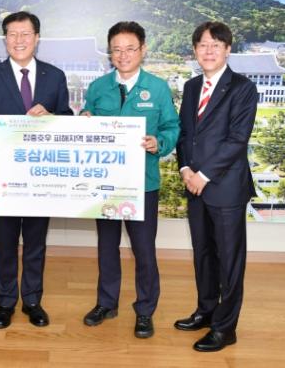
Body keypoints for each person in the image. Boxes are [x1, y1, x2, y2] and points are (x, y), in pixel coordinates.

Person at [80, 21, 180, 338]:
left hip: (142, 183)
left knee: (144, 250)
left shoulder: (158, 88)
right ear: (110, 53)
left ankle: (145, 310)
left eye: (130, 49)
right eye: (117, 50)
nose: (123, 55)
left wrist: (159, 142)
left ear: (143, 50)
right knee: (107, 247)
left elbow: (172, 127)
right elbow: (86, 118)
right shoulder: (98, 87)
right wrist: (84, 119)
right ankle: (106, 303)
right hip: (105, 183)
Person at [0, 11, 73, 329]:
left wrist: (52, 115)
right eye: (12, 34)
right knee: (5, 243)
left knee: (35, 242)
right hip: (3, 179)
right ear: (5, 39)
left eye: (25, 34)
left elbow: (67, 119)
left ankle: (32, 300)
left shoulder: (54, 76)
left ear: (37, 38)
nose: (19, 40)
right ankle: (5, 301)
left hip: (41, 178)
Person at [174, 21, 258, 352]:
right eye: (203, 45)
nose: (208, 51)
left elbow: (237, 140)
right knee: (204, 254)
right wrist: (184, 168)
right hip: (194, 186)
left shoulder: (242, 88)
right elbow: (184, 133)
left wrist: (203, 175)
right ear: (195, 50)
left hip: (225, 188)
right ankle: (206, 311)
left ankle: (225, 328)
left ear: (228, 49)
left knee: (229, 261)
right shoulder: (192, 86)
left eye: (216, 45)